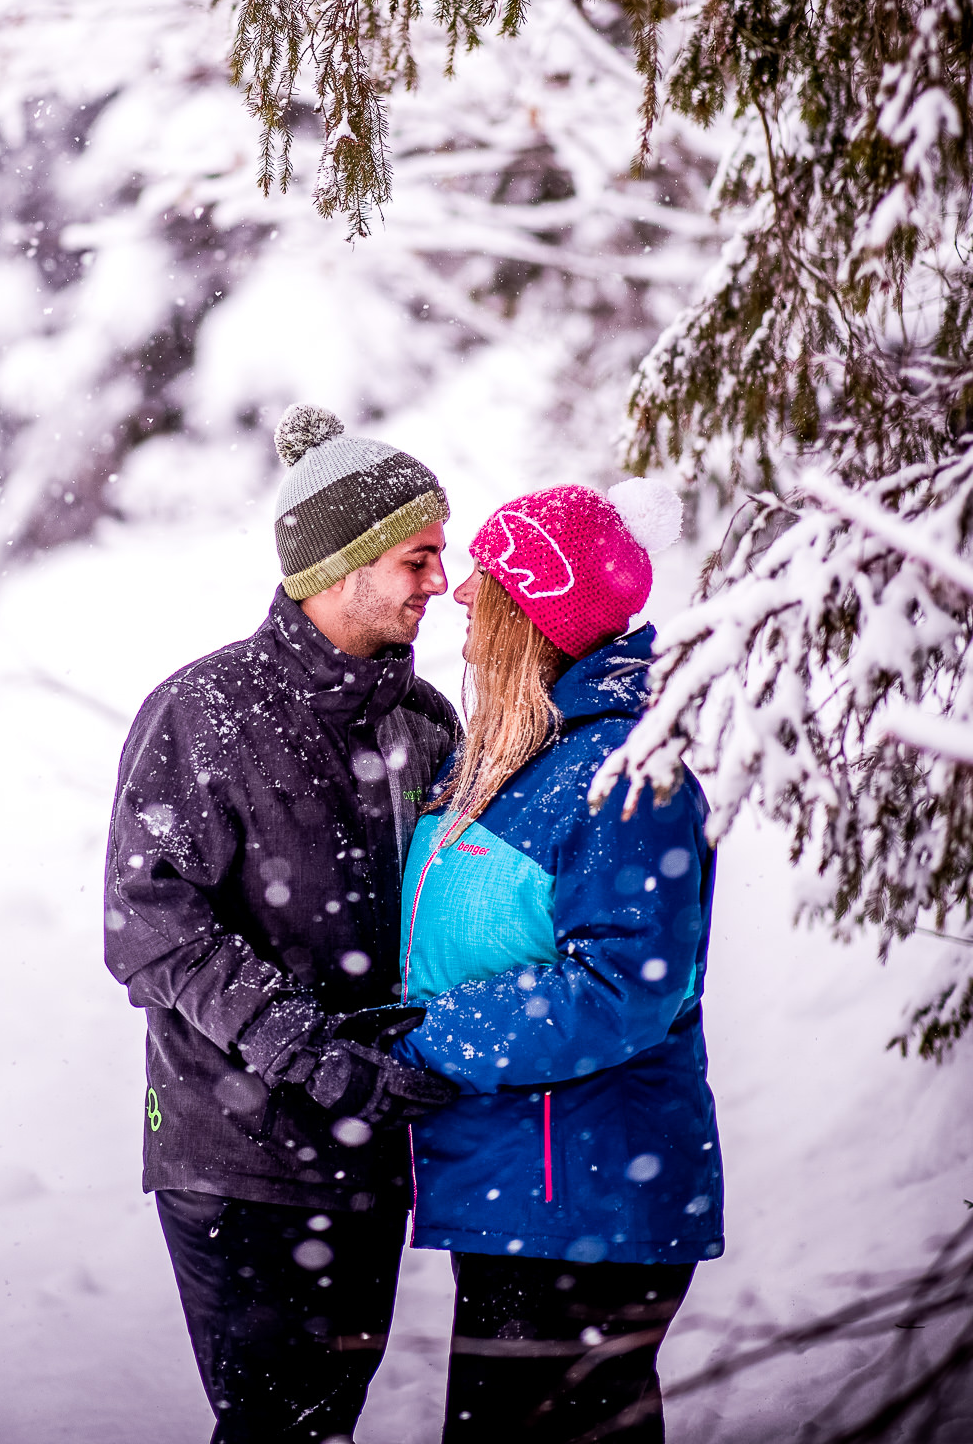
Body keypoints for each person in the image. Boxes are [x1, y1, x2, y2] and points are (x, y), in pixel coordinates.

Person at [105, 402, 461, 1443]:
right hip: (237, 1152)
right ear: (340, 565)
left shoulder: (423, 721)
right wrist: (308, 1050)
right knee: (275, 1431)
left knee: (326, 1425)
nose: (438, 581)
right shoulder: (200, 711)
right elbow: (147, 924)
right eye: (417, 557)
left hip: (368, 1155)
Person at [396, 479, 724, 1443]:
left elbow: (627, 987)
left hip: (583, 1194)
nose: (458, 609)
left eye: (484, 596)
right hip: (522, 1186)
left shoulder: (621, 770)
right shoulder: (517, 761)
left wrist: (431, 1038)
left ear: (531, 618)